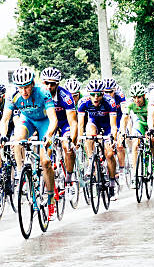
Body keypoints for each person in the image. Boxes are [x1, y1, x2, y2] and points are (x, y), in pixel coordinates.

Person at [0, 66, 58, 220]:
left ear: (33, 83)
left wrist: (49, 135)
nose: (24, 91)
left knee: (45, 162)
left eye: (27, 87)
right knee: (17, 139)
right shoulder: (12, 94)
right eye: (20, 88)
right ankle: (21, 174)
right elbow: (5, 119)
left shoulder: (43, 92)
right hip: (28, 121)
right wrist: (2, 135)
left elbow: (53, 119)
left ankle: (51, 198)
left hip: (45, 123)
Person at [78, 79, 118, 198]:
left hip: (107, 126)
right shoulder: (83, 102)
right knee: (89, 132)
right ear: (88, 94)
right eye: (93, 94)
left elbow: (114, 125)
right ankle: (91, 161)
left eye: (99, 94)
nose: (96, 97)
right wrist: (79, 140)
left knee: (109, 154)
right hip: (93, 123)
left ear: (103, 94)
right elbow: (80, 125)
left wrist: (113, 139)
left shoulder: (110, 102)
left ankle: (111, 183)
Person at [41, 67, 78, 196]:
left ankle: (68, 179)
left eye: (53, 83)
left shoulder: (65, 96)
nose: (49, 86)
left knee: (67, 146)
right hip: (49, 123)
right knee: (46, 149)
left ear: (58, 84)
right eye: (46, 83)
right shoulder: (38, 94)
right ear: (42, 82)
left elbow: (73, 122)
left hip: (64, 123)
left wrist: (72, 141)